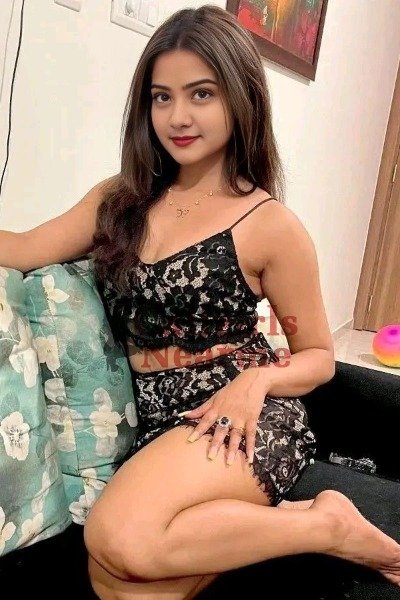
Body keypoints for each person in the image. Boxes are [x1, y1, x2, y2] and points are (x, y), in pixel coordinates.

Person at [1, 5, 399, 599]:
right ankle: (289, 525)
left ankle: (329, 526)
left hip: (244, 418)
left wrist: (257, 383)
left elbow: (318, 355)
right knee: (118, 584)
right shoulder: (119, 200)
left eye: (201, 94)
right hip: (160, 423)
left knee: (115, 536)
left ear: (240, 98)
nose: (178, 117)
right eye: (161, 97)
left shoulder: (270, 225)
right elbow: (22, 247)